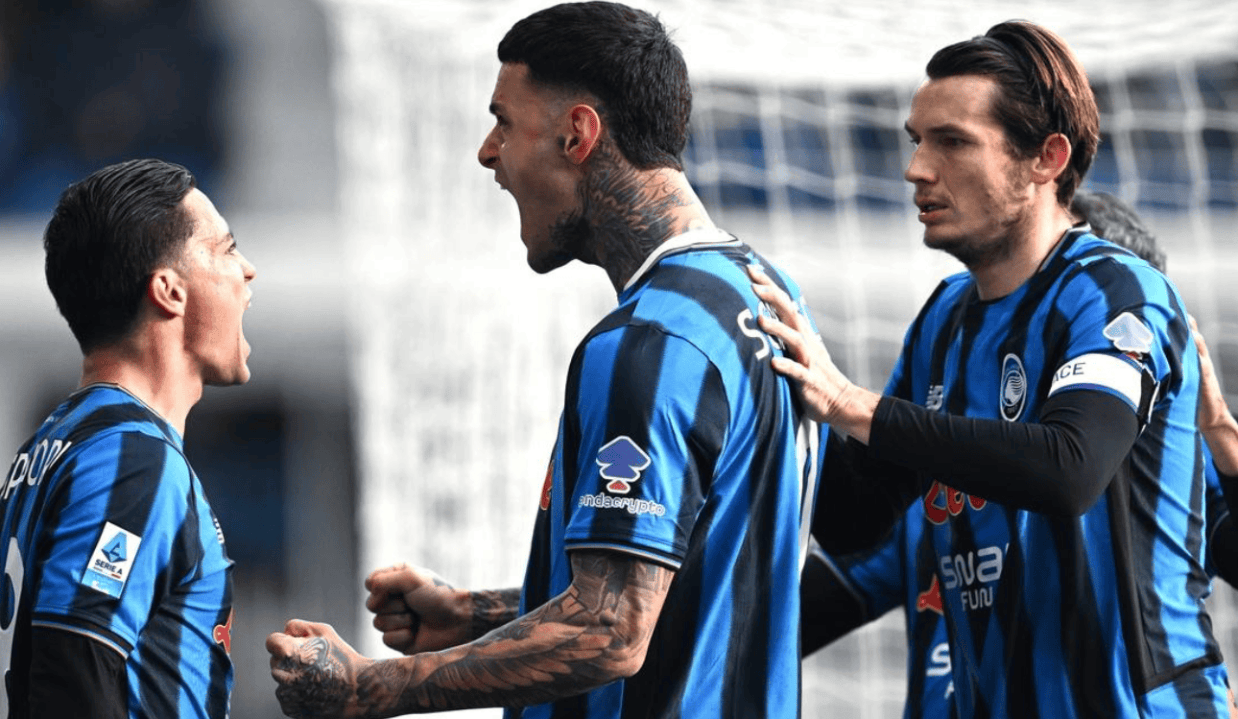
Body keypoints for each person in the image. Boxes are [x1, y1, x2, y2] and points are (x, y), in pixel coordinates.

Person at [266, 3, 819, 717]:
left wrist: (369, 686)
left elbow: (609, 630)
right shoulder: (764, 294)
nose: (487, 153)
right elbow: (678, 576)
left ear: (577, 134)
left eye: (504, 122)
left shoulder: (651, 343)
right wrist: (473, 614)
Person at [756, 20, 1231, 717]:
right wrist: (778, 381)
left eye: (951, 142)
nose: (917, 169)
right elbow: (858, 520)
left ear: (1046, 158)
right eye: (916, 141)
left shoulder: (1115, 290)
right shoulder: (943, 318)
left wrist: (849, 404)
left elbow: (1069, 469)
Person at [797, 189, 1190, 719]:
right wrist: (787, 381)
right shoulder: (927, 492)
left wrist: (1224, 439)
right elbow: (848, 534)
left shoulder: (1164, 476)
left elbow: (1069, 471)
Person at [0, 158, 255, 717]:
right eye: (227, 250)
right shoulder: (131, 459)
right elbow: (73, 677)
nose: (248, 271)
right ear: (169, 290)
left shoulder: (50, 448)